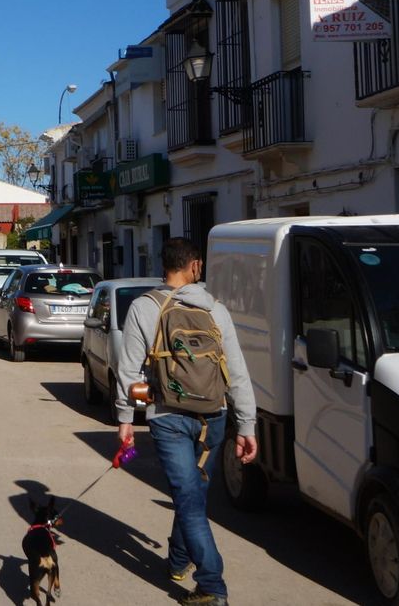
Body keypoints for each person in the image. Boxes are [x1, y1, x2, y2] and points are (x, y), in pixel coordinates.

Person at [114, 237, 258, 606]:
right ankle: (178, 561)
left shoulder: (145, 307)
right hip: (215, 418)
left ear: (164, 266)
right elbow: (237, 373)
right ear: (195, 266)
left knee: (188, 499)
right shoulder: (216, 311)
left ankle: (212, 585)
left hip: (169, 418)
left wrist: (129, 417)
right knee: (192, 496)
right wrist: (247, 426)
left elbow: (130, 372)